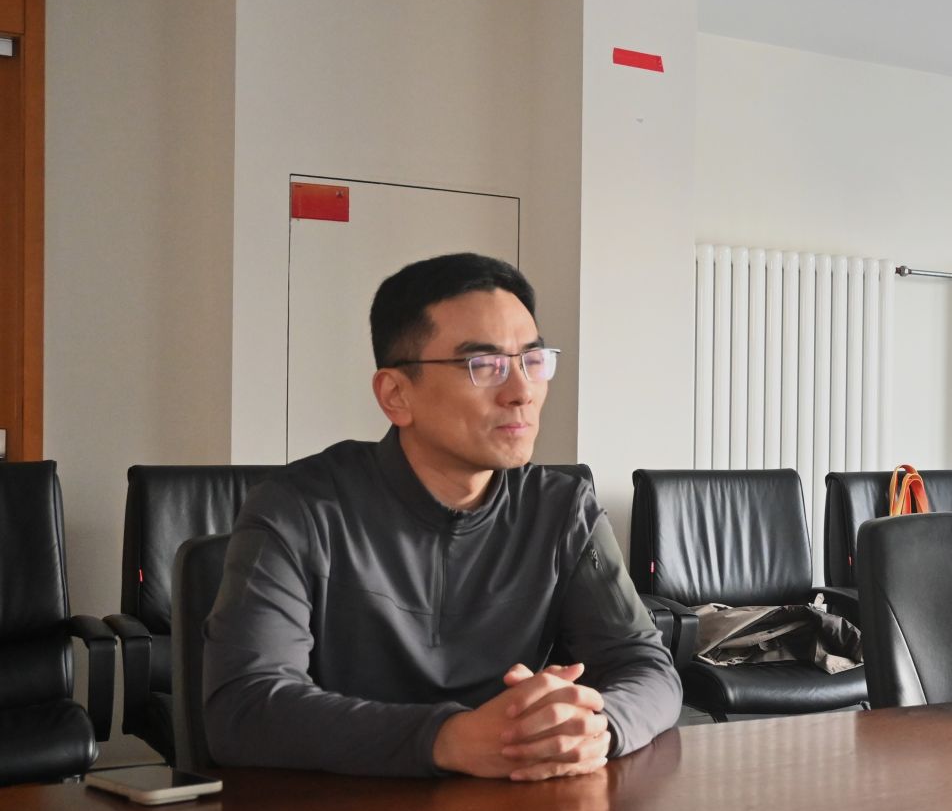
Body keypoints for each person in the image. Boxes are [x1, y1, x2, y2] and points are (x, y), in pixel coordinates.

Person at [204, 253, 685, 778]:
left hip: (515, 809)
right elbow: (244, 707)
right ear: (396, 395)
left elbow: (647, 668)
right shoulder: (299, 508)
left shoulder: (562, 509)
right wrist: (448, 738)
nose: (521, 392)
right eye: (484, 366)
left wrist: (596, 726)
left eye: (532, 359)